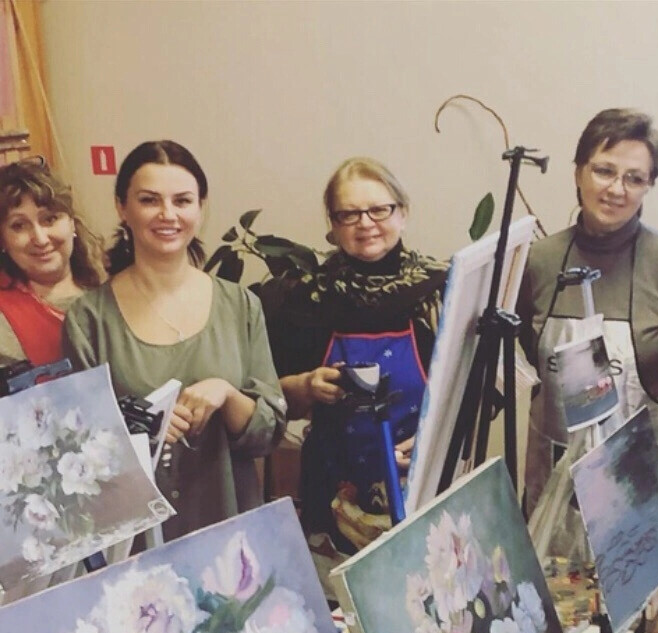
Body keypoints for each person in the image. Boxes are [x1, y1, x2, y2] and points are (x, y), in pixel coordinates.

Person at [63, 140, 285, 541]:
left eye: (182, 200)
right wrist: (139, 428)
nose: (168, 214)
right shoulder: (89, 319)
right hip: (137, 543)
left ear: (200, 207)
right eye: (149, 200)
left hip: (230, 531)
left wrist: (227, 394)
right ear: (122, 207)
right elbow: (78, 453)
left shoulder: (240, 306)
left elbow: (268, 433)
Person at [518, 108, 658, 534]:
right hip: (555, 467)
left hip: (647, 469)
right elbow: (526, 346)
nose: (616, 189)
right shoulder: (537, 261)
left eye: (634, 178)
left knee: (642, 571)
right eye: (604, 171)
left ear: (649, 186)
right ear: (578, 172)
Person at [262, 157, 447, 555]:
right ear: (333, 224)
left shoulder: (440, 290)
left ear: (403, 213)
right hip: (334, 494)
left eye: (379, 209)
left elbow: (477, 390)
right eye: (349, 214)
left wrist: (435, 436)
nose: (366, 223)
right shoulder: (306, 297)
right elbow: (269, 397)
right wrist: (306, 385)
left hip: (425, 481)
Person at [0, 160, 104, 368]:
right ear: (3, 241)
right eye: (19, 226)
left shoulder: (117, 289)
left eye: (49, 219)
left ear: (72, 223)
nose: (40, 239)